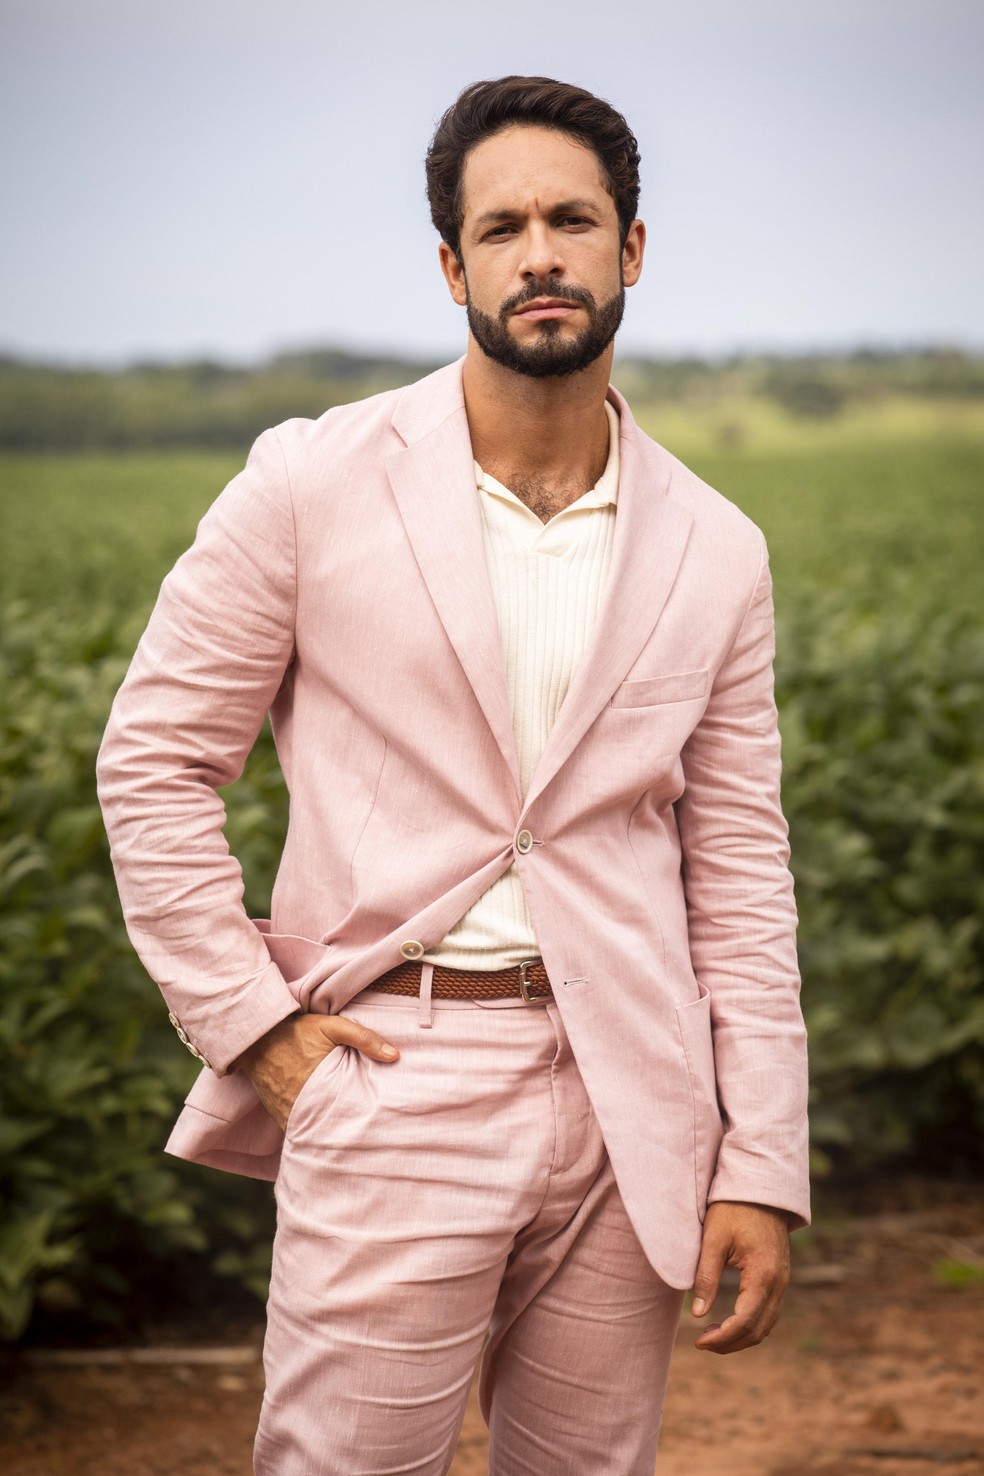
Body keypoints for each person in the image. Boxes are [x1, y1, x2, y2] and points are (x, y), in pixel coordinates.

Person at [97, 75, 809, 1475]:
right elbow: (155, 762)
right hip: (391, 1072)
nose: (540, 252)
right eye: (503, 228)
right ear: (453, 265)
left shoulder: (718, 546)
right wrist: (254, 1024)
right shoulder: (307, 482)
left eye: (572, 219)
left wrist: (762, 1157)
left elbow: (737, 867)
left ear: (632, 250)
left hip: (633, 1104)